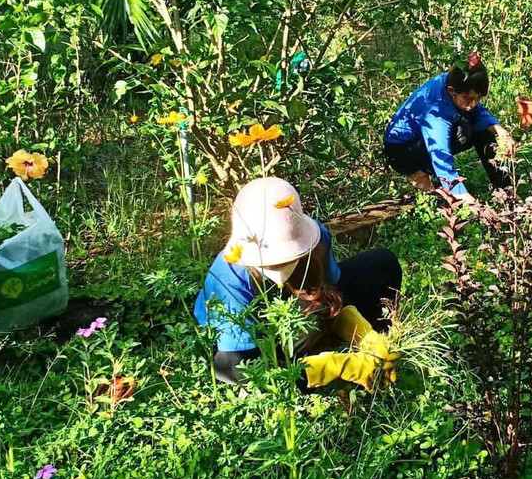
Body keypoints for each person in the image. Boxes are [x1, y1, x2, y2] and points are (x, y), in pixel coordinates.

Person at [194, 177, 404, 388]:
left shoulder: (316, 239)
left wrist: (359, 330)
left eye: (286, 259)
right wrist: (332, 367)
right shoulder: (229, 278)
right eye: (269, 264)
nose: (278, 267)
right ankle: (303, 374)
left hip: (297, 307)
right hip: (246, 345)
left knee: (382, 265)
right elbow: (235, 364)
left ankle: (376, 360)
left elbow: (332, 289)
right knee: (252, 367)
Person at [384, 55, 515, 199]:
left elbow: (478, 113)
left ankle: (506, 190)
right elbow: (440, 155)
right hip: (403, 151)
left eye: (478, 99)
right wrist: (466, 199)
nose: (473, 104)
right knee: (464, 131)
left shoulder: (458, 83)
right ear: (452, 91)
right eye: (469, 99)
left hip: (423, 138)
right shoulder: (435, 111)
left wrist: (501, 132)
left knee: (481, 129)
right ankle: (418, 173)